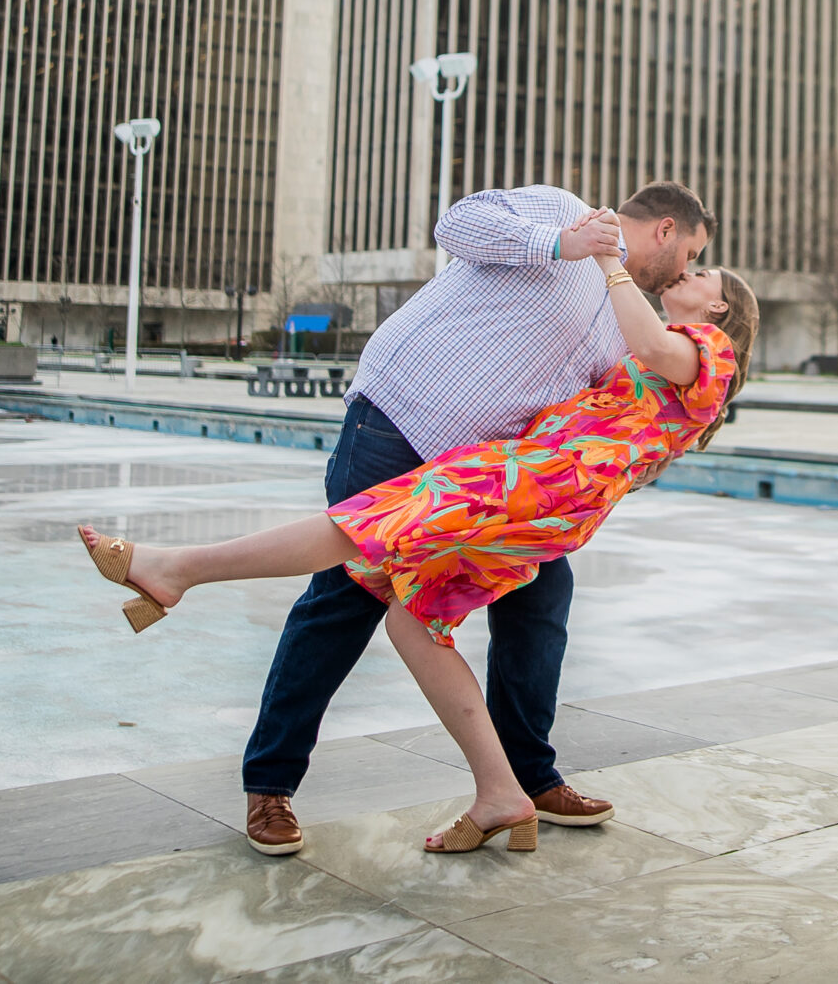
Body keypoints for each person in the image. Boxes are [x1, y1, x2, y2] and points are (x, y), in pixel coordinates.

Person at [90, 180, 713, 855]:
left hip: (474, 479)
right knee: (344, 596)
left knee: (543, 589)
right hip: (402, 422)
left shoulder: (622, 307)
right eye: (691, 253)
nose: (683, 270)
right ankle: (270, 783)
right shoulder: (566, 211)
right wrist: (563, 244)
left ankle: (525, 779)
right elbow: (458, 224)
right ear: (665, 227)